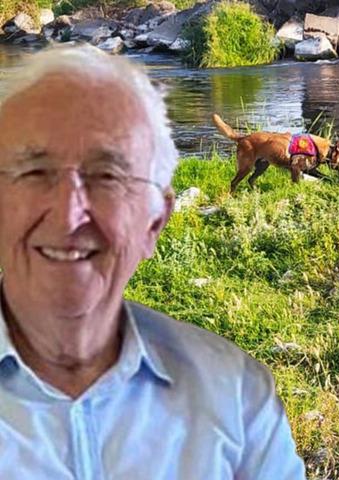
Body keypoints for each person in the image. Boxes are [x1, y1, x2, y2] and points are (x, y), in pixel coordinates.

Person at [0, 45, 305, 479]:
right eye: (33, 173)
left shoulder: (239, 400)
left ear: (154, 221)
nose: (68, 216)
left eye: (107, 177)